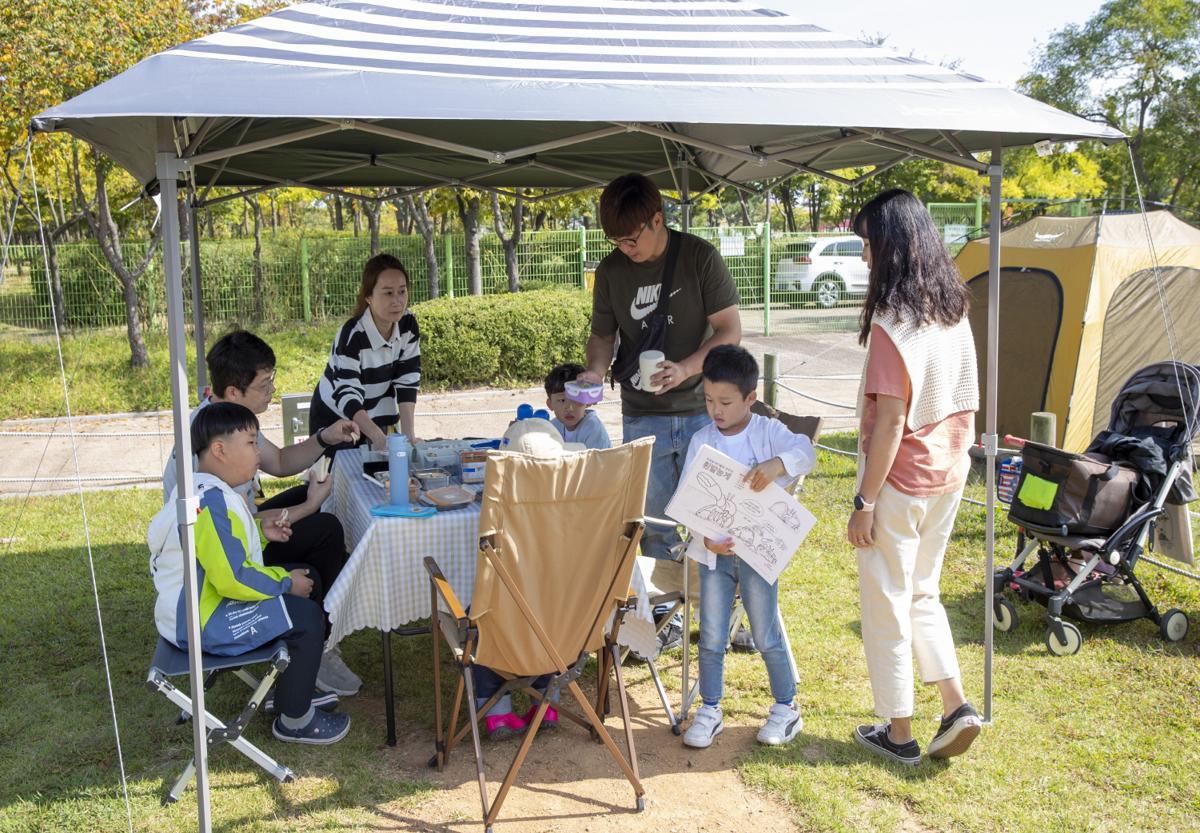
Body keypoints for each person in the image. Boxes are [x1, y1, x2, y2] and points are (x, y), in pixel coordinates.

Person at [847, 188, 982, 766]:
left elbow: (890, 422)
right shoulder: (952, 309)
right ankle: (955, 706)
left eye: (868, 245)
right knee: (922, 592)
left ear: (891, 246)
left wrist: (864, 500)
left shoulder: (892, 324)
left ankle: (898, 731)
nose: (863, 258)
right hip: (951, 473)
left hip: (901, 482)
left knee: (886, 603)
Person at [580, 173, 741, 648]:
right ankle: (663, 621)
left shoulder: (698, 257)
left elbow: (729, 329)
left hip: (702, 410)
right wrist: (594, 370)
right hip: (642, 413)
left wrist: (689, 368)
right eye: (616, 241)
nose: (625, 248)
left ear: (657, 219)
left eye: (631, 238)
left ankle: (727, 611)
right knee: (652, 524)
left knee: (714, 518)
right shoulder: (611, 272)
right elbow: (603, 336)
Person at [161, 330, 363, 697]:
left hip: (233, 532)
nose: (272, 390)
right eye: (265, 383)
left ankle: (315, 633)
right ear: (235, 392)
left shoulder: (225, 418)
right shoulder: (211, 443)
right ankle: (315, 643)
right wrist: (306, 509)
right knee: (323, 532)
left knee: (317, 516)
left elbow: (281, 461)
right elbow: (217, 529)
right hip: (213, 560)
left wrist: (325, 437)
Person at [149, 402, 351, 745]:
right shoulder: (210, 502)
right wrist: (286, 583)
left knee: (308, 582)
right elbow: (234, 577)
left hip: (202, 605)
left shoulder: (203, 490)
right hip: (202, 621)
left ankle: (288, 693)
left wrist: (261, 533)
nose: (259, 452)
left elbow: (217, 551)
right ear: (219, 450)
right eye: (251, 443)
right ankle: (295, 720)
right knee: (305, 616)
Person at [678, 346, 815, 749]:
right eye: (707, 400)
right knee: (712, 634)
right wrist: (703, 537)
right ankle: (710, 709)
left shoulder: (768, 432)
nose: (715, 410)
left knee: (765, 632)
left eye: (725, 402)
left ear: (750, 398)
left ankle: (786, 707)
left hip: (758, 555)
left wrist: (777, 465)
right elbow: (689, 498)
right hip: (714, 557)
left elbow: (805, 451)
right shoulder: (702, 440)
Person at [310, 253, 421, 451]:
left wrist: (408, 436)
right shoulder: (352, 334)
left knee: (385, 471)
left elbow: (407, 381)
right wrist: (378, 437)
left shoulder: (408, 324)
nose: (397, 301)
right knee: (337, 477)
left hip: (379, 409)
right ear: (368, 297)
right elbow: (347, 394)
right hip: (336, 417)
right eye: (388, 293)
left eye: (402, 291)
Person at [544, 362, 611, 450]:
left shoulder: (594, 430)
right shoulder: (552, 427)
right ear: (550, 404)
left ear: (587, 401)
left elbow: (598, 463)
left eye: (576, 399)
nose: (569, 408)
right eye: (562, 400)